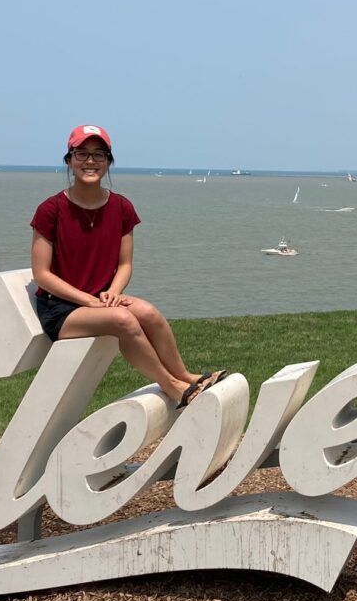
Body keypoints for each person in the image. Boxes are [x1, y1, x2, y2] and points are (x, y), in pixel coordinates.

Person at [31, 125, 226, 409]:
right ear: (69, 160)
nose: (90, 161)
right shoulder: (51, 210)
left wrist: (113, 291)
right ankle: (171, 386)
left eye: (99, 155)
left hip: (100, 300)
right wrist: (88, 300)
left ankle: (184, 375)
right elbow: (42, 275)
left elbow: (124, 265)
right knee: (123, 320)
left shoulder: (121, 208)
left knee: (148, 312)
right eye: (82, 154)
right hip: (61, 309)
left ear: (109, 162)